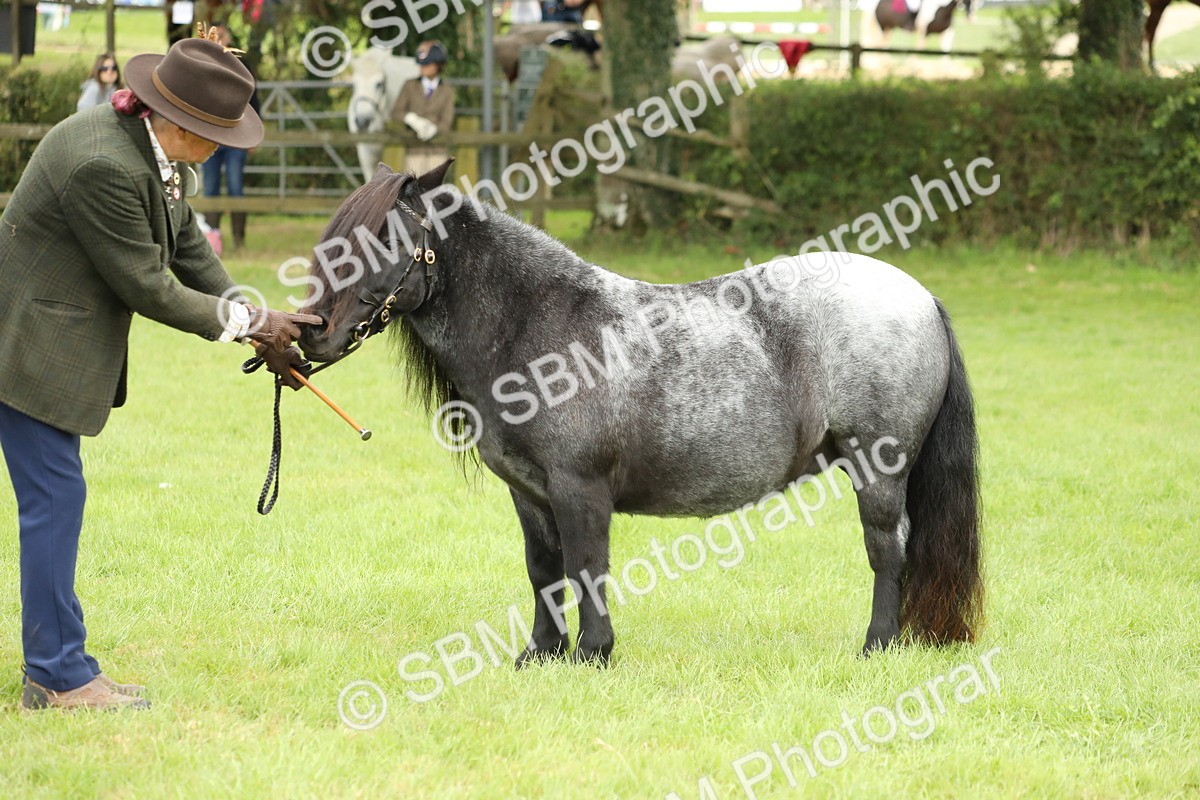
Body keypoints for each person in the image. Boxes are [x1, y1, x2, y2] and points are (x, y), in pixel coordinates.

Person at [0, 33, 319, 711]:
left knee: (57, 500)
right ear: (181, 124)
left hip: (41, 337)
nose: (225, 147)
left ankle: (63, 665)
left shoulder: (149, 148)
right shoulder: (102, 165)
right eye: (219, 135)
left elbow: (186, 248)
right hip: (25, 343)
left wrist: (255, 319)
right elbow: (149, 285)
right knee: (55, 502)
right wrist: (253, 324)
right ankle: (58, 677)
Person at [201, 24, 260, 252]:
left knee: (236, 186)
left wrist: (254, 134)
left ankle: (238, 239)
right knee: (211, 188)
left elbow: (253, 99)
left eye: (222, 35)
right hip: (209, 136)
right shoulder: (203, 62)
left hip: (235, 136)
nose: (219, 39)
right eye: (214, 34)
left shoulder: (240, 64)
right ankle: (212, 237)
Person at [390, 40, 455, 176]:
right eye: (421, 64)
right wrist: (411, 119)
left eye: (427, 64)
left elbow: (446, 121)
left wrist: (434, 129)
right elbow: (396, 112)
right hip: (414, 150)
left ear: (438, 65)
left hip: (437, 152)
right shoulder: (409, 86)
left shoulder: (447, 90)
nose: (422, 67)